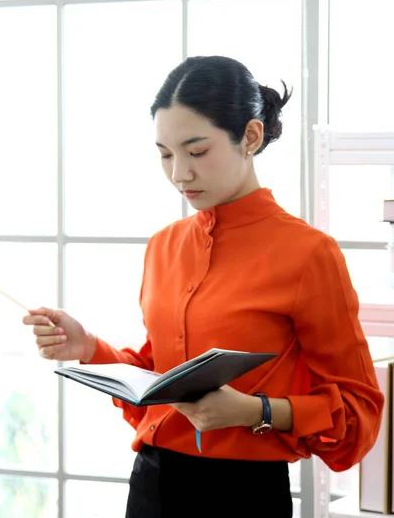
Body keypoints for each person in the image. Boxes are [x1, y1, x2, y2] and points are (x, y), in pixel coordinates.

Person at [23, 55, 384, 517]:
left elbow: (358, 415)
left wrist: (255, 412)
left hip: (242, 495)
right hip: (150, 486)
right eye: (165, 154)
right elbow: (160, 382)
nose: (179, 174)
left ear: (250, 137)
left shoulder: (309, 254)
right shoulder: (163, 246)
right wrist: (89, 346)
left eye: (196, 151)